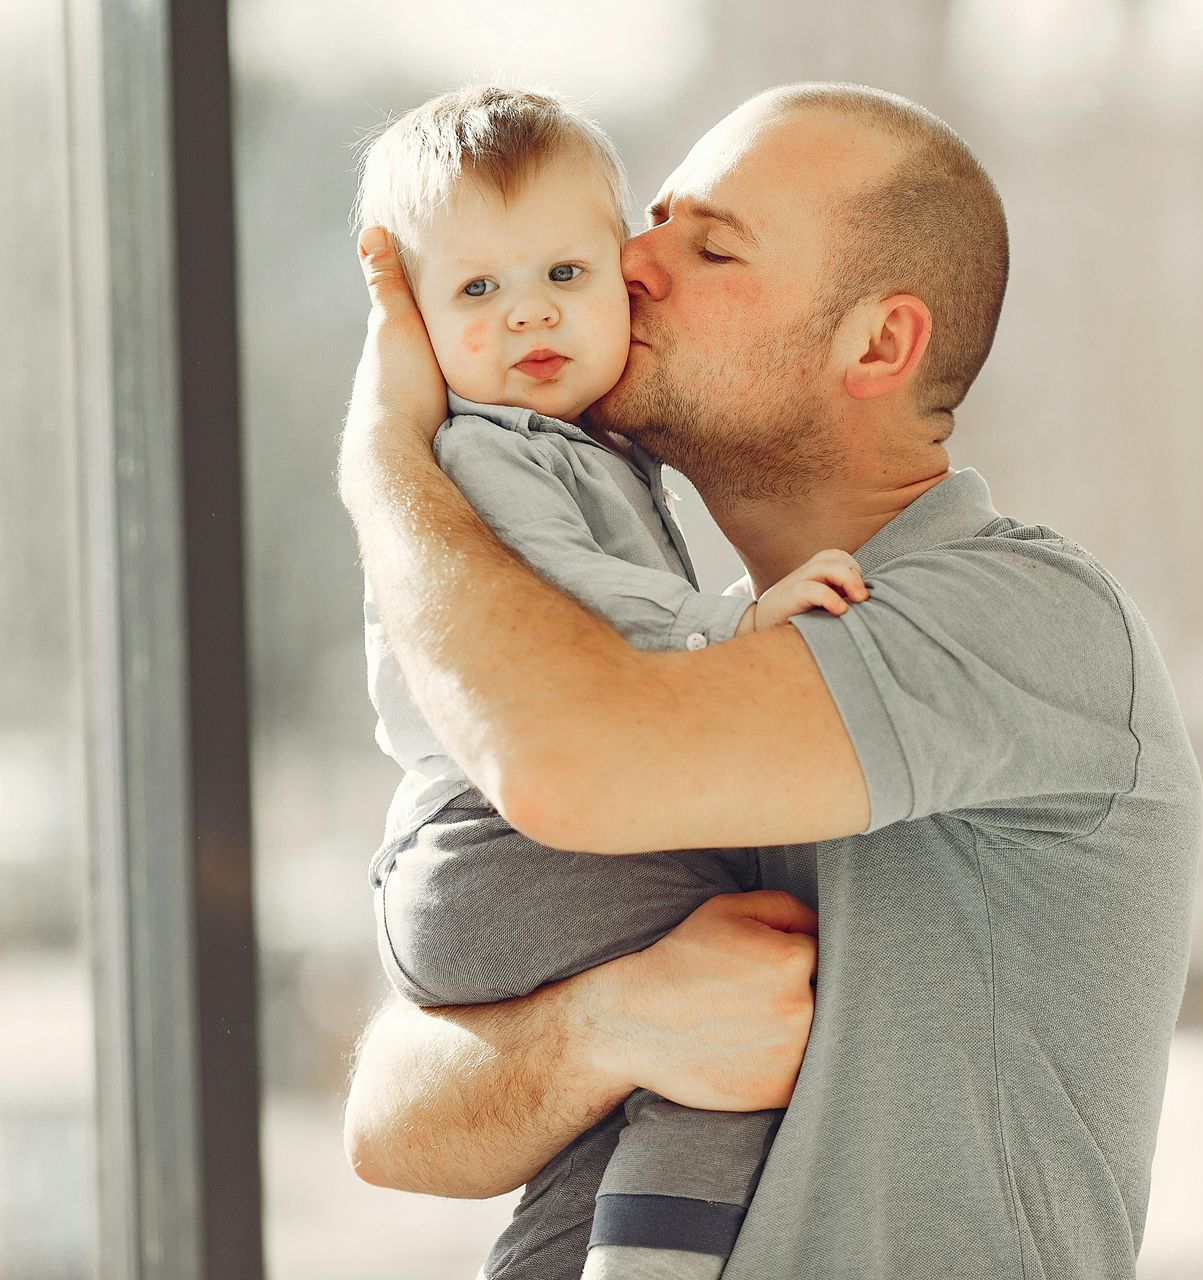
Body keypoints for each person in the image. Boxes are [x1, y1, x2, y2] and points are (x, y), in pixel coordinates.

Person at [339, 81, 1203, 1279]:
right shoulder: (698, 655)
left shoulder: (1025, 624)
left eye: (710, 245)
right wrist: (608, 1026)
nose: (630, 263)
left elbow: (555, 763)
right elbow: (387, 1121)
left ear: (879, 344)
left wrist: (387, 452)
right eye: (649, 220)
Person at [350, 84, 868, 1280]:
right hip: (500, 850)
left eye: (564, 275)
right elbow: (560, 592)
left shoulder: (589, 449)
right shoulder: (484, 454)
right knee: (736, 1017)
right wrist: (725, 622)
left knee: (607, 1121)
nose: (527, 313)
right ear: (413, 325)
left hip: (501, 858)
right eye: (476, 290)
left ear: (619, 272)